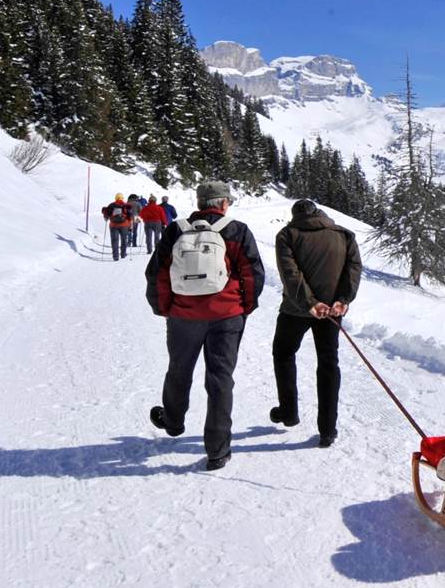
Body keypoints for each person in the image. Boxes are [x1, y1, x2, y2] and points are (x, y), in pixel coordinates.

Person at [145, 181, 265, 470]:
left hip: (183, 316)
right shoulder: (237, 230)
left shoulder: (177, 229)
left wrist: (164, 308)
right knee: (220, 379)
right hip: (226, 316)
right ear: (223, 203)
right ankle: (217, 450)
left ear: (200, 203)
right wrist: (243, 308)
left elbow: (157, 273)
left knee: (179, 368)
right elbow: (252, 274)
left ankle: (173, 421)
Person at [271, 198, 362, 448]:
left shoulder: (287, 235)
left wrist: (310, 303)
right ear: (319, 212)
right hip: (332, 310)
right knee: (328, 363)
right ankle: (328, 430)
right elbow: (353, 269)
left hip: (295, 309)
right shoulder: (343, 234)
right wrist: (343, 299)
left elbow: (290, 274)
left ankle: (289, 411)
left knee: (283, 352)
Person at [102, 193, 134, 261]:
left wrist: (106, 218)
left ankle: (115, 256)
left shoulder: (111, 205)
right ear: (122, 198)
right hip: (124, 225)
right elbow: (130, 216)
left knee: (114, 241)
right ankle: (123, 254)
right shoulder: (126, 205)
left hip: (113, 225)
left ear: (115, 198)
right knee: (124, 240)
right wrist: (130, 225)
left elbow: (106, 214)